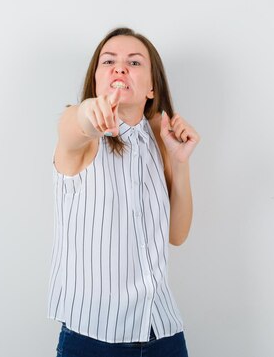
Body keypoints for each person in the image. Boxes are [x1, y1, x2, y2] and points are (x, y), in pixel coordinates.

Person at [47, 27, 200, 356]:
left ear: (151, 87)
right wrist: (88, 113)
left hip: (164, 332)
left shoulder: (159, 139)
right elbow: (73, 125)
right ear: (96, 82)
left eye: (134, 62)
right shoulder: (83, 140)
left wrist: (180, 162)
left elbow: (177, 234)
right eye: (109, 61)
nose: (120, 68)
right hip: (92, 339)